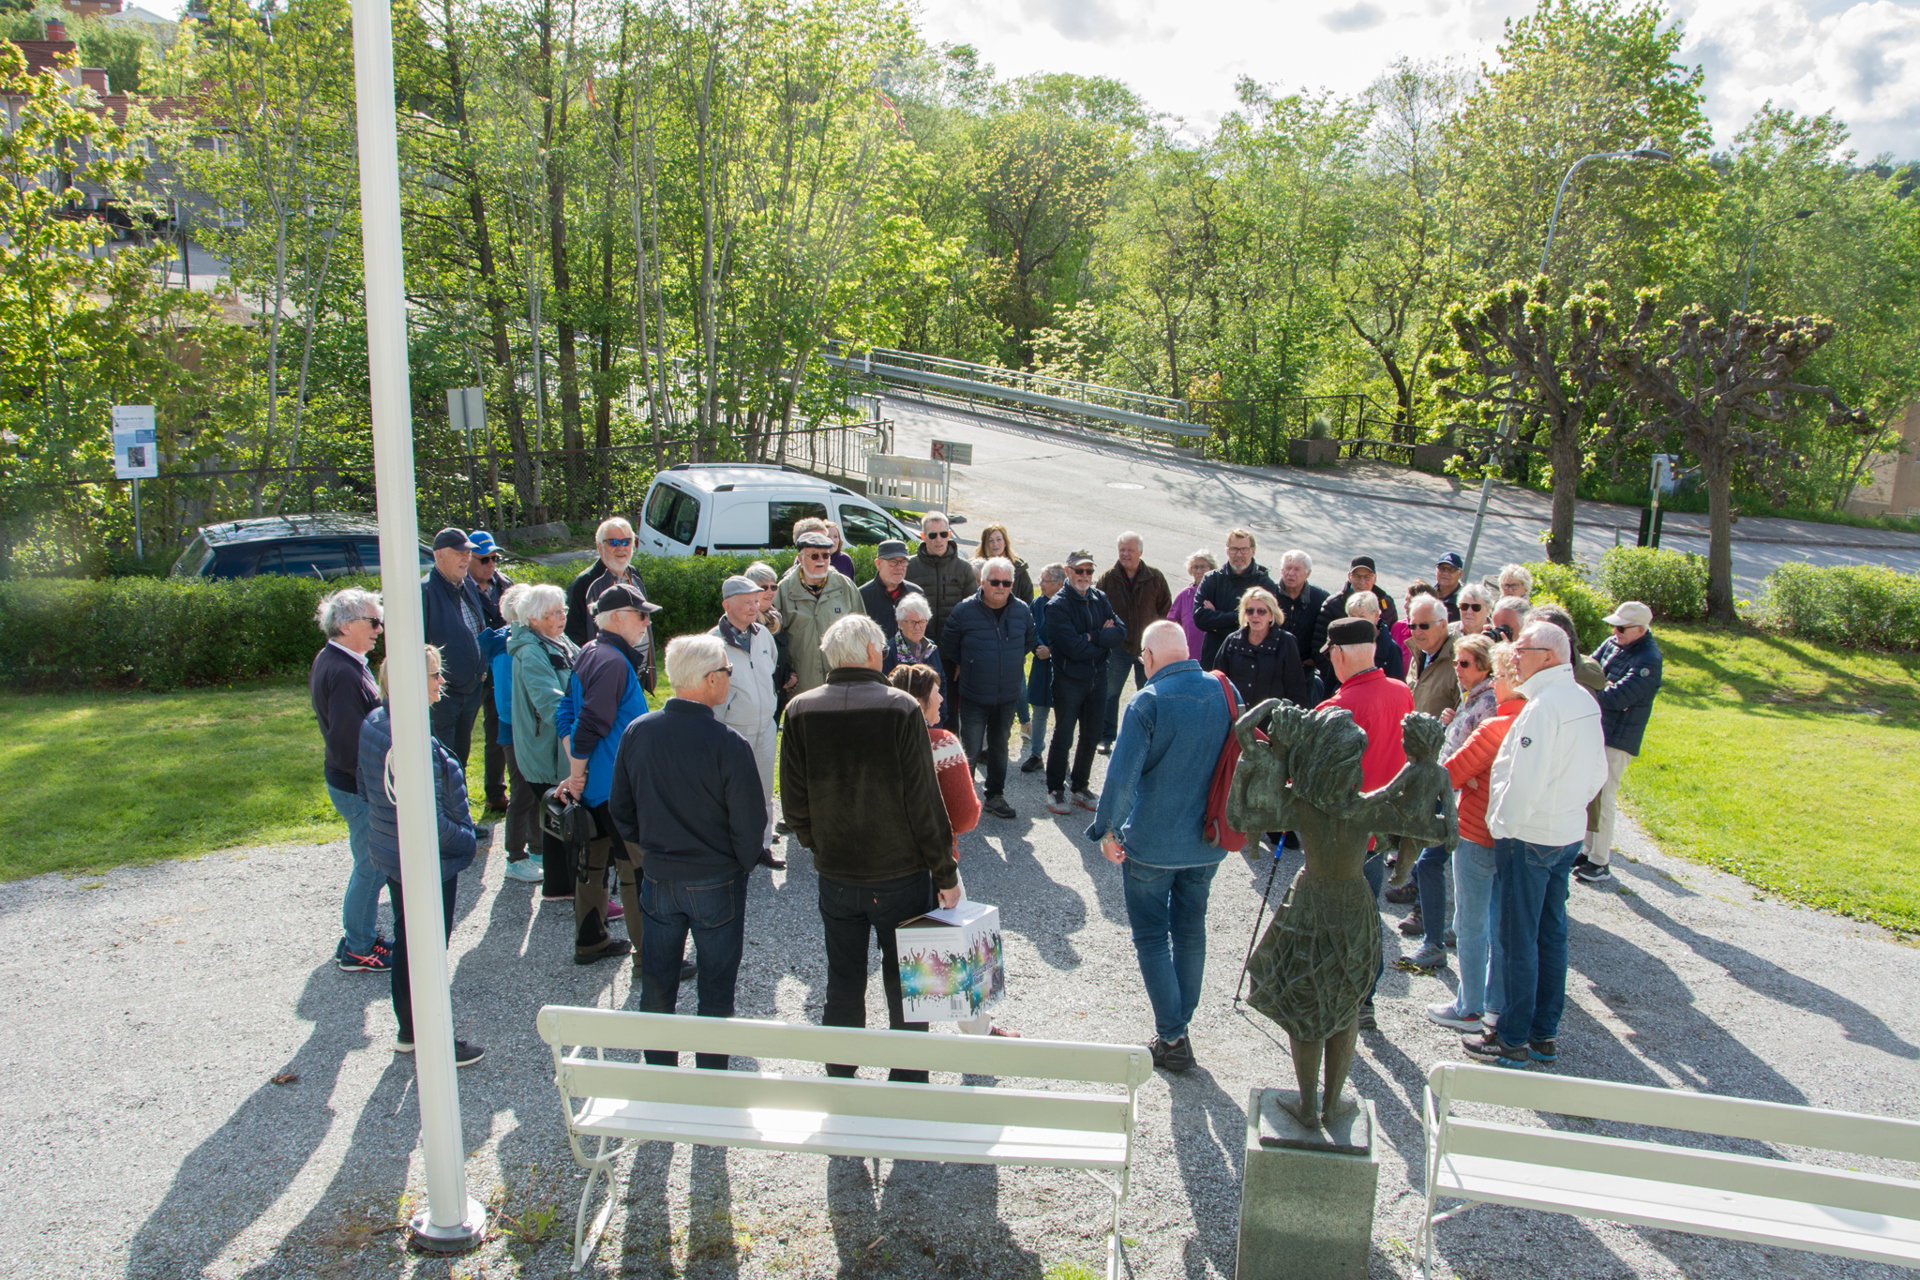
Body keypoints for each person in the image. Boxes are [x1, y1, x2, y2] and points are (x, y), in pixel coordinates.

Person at [780, 615, 959, 1080]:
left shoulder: (798, 711)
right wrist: (945, 873)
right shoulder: (900, 708)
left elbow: (793, 801)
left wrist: (819, 844)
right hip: (899, 873)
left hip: (836, 873)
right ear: (871, 653)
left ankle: (841, 1073)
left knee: (842, 978)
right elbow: (925, 800)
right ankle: (908, 1077)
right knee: (905, 979)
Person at [609, 634, 767, 1070]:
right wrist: (739, 863)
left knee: (657, 980)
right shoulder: (728, 744)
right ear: (712, 680)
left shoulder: (638, 731)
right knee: (716, 984)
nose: (730, 680)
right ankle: (710, 1075)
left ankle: (661, 1072)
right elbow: (750, 825)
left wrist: (654, 847)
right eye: (728, 673)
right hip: (716, 878)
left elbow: (620, 807)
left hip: (659, 876)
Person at [1462, 622, 1607, 1069]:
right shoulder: (1582, 700)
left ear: (1548, 655)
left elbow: (1523, 778)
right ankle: (1543, 1032)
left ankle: (1511, 1038)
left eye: (1523, 649)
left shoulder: (1543, 706)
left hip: (1530, 836)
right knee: (1550, 934)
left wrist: (1503, 826)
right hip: (1563, 832)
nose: (1515, 656)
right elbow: (1595, 774)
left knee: (1517, 939)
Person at [1091, 621, 1234, 1073]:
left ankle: (1173, 1035)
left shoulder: (1148, 700)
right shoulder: (1225, 693)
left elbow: (1122, 777)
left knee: (1152, 936)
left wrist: (1106, 829)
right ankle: (1179, 1028)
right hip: (1209, 839)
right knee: (1191, 930)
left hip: (1152, 842)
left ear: (1148, 657)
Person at [357, 644, 484, 1066]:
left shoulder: (376, 723)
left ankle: (410, 1031)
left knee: (410, 941)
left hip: (394, 854)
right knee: (426, 949)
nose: (441, 682)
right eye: (434, 675)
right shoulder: (410, 740)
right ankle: (432, 1039)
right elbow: (429, 818)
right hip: (426, 862)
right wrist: (467, 841)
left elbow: (369, 790)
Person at [888, 662, 1018, 1037]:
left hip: (886, 866)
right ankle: (978, 1030)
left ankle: (909, 1039)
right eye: (936, 691)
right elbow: (963, 817)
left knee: (899, 955)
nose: (942, 698)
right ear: (919, 699)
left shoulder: (880, 740)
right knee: (962, 947)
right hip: (936, 863)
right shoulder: (941, 742)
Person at [1317, 615, 1415, 1030]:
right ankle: (1364, 999)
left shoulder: (1335, 708)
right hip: (1382, 830)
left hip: (1340, 836)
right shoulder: (1402, 692)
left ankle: (1340, 997)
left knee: (1334, 920)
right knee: (1368, 916)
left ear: (1339, 654)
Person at [1423, 637, 1522, 1035]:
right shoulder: (1535, 722)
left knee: (1470, 922)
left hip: (1478, 834)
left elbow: (1451, 774)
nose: (1494, 684)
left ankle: (1469, 1006)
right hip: (1517, 840)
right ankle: (1496, 1005)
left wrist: (1472, 781)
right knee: (1501, 925)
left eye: (1498, 676)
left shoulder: (1496, 727)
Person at [556, 584, 658, 966]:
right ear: (616, 618)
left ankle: (591, 940)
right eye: (641, 615)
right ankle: (650, 956)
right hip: (616, 787)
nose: (647, 623)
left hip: (597, 786)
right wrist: (578, 772)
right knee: (635, 869)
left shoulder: (589, 652)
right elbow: (590, 722)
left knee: (592, 864)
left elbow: (564, 712)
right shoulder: (613, 661)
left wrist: (576, 771)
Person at [309, 587, 391, 973]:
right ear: (344, 626)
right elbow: (347, 741)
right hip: (355, 784)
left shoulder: (341, 660)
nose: (380, 629)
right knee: (372, 865)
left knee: (370, 862)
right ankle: (358, 946)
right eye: (373, 622)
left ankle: (360, 936)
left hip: (349, 780)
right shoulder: (343, 671)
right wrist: (375, 782)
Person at [941, 555, 1043, 820]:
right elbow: (949, 643)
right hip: (975, 694)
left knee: (999, 748)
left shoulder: (1022, 609)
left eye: (1007, 582)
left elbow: (1029, 641)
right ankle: (962, 799)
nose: (1001, 587)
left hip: (1007, 696)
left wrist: (1008, 662)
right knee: (970, 749)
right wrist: (969, 662)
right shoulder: (964, 610)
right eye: (995, 581)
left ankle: (994, 796)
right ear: (982, 582)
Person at [1393, 593, 1463, 969]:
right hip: (1417, 758)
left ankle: (1427, 917)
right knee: (1420, 841)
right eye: (1412, 624)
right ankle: (1416, 895)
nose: (1416, 631)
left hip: (1443, 767)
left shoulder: (1459, 659)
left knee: (1430, 851)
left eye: (1423, 626)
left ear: (1442, 624)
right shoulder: (1421, 653)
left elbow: (1464, 712)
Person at [1576, 601, 1663, 886]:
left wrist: (1598, 685)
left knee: (1605, 796)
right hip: (1600, 729)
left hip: (1619, 738)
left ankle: (1600, 861)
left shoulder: (1649, 659)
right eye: (1614, 625)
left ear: (1641, 629)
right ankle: (1587, 850)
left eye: (1622, 627)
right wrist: (1600, 684)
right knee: (1590, 793)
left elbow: (1617, 698)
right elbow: (1587, 668)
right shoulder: (1614, 643)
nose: (1615, 631)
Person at [507, 582, 578, 897]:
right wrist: (580, 733)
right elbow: (549, 703)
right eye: (553, 613)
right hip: (546, 750)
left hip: (556, 747)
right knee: (560, 811)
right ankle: (568, 885)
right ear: (533, 619)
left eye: (563, 610)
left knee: (556, 816)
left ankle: (558, 885)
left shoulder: (558, 641)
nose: (562, 617)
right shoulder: (531, 651)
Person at [1045, 550, 1127, 815]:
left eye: (1089, 571)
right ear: (1068, 571)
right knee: (1064, 736)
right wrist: (1100, 636)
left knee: (1091, 736)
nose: (1084, 576)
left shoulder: (1099, 597)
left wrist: (1091, 638)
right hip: (1069, 680)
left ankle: (1080, 786)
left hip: (1097, 678)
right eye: (1079, 570)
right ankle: (1055, 789)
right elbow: (1073, 649)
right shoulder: (1057, 605)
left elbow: (1121, 633)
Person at [421, 527, 505, 778]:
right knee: (441, 759)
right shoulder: (425, 591)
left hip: (472, 687)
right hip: (443, 692)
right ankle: (443, 812)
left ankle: (458, 809)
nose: (466, 558)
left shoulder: (467, 583)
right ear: (439, 556)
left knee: (460, 757)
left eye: (468, 552)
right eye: (459, 553)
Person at [711, 576, 783, 867]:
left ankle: (761, 846)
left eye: (756, 601)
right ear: (727, 605)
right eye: (747, 602)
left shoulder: (763, 634)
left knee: (764, 789)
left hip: (765, 727)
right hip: (731, 730)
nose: (755, 607)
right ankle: (729, 848)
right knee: (731, 793)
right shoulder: (713, 643)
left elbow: (771, 667)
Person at [1096, 532, 1173, 754]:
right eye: (1122, 550)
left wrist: (1157, 637)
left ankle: (1147, 735)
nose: (1125, 554)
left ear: (1140, 551)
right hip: (1118, 647)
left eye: (1130, 550)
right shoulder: (1107, 578)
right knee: (1110, 692)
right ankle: (1106, 737)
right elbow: (1099, 608)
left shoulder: (1155, 578)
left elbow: (1165, 609)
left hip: (1147, 648)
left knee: (1148, 692)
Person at [490, 584, 542, 881]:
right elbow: (506, 705)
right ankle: (515, 856)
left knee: (535, 793)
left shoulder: (526, 645)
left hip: (532, 733)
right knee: (521, 794)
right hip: (515, 736)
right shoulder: (505, 650)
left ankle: (536, 849)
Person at [775, 531, 866, 696]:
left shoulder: (845, 586)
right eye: (814, 556)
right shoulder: (784, 590)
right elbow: (775, 638)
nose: (821, 561)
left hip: (842, 684)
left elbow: (863, 632)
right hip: (803, 687)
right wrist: (786, 671)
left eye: (825, 555)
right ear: (800, 559)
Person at [566, 519, 653, 685]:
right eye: (613, 542)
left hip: (636, 672)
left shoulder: (633, 574)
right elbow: (574, 638)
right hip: (605, 675)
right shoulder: (583, 584)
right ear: (599, 547)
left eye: (626, 542)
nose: (621, 548)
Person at [467, 530, 515, 809]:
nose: (490, 564)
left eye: (494, 557)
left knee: (498, 731)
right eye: (484, 558)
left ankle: (497, 794)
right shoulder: (461, 588)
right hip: (474, 671)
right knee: (460, 737)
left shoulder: (504, 584)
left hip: (502, 670)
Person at [1192, 528, 1279, 670]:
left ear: (1253, 551)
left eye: (1244, 549)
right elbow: (1200, 618)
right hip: (1214, 661)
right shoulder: (1211, 579)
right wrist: (1244, 617)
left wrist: (1217, 623)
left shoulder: (1264, 584)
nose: (1239, 554)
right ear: (1227, 551)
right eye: (1234, 549)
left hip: (1250, 662)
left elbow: (1267, 624)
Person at [1214, 586, 1310, 709]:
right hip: (1237, 720)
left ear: (1271, 615)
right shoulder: (1232, 641)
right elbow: (1218, 682)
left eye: (1261, 611)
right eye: (1250, 611)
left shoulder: (1286, 642)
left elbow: (1296, 689)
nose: (1255, 615)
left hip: (1271, 722)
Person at [1315, 556, 1397, 691]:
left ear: (1375, 578)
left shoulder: (1386, 603)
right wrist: (1338, 674)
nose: (1362, 581)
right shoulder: (1333, 605)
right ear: (1349, 576)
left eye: (1367, 577)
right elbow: (1319, 648)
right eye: (1357, 576)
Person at [903, 511, 976, 654]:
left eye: (943, 534)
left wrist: (963, 655)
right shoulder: (909, 567)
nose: (938, 539)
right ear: (923, 537)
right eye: (932, 535)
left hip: (952, 651)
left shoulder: (964, 568)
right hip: (917, 649)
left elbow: (972, 613)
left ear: (949, 535)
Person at [1022, 563, 1067, 773]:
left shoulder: (1069, 603)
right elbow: (1030, 629)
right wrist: (1039, 647)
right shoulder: (1037, 603)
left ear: (1059, 584)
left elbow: (1072, 636)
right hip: (1041, 665)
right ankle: (1036, 754)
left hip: (1064, 667)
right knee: (1039, 712)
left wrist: (1053, 651)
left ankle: (1062, 756)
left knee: (1064, 715)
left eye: (1044, 581)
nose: (1039, 584)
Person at [742, 561, 795, 712]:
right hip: (753, 703)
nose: (770, 592)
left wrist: (790, 674)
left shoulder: (775, 619)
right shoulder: (745, 622)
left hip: (777, 699)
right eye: (763, 587)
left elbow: (778, 657)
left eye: (773, 587)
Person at [1330, 591, 1405, 693]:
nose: (1356, 622)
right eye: (1352, 616)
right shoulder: (1341, 644)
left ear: (1376, 615)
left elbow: (1397, 689)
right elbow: (1330, 684)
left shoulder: (1391, 649)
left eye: (1362, 617)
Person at [1274, 549, 1329, 687]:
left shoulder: (1320, 598)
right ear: (1281, 570)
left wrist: (1314, 659)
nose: (1291, 573)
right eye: (1288, 568)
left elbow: (1326, 633)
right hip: (1271, 664)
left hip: (1305, 668)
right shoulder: (1269, 593)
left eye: (1297, 569)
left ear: (1307, 573)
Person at [858, 539, 926, 642]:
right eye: (893, 562)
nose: (899, 567)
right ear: (878, 564)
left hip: (911, 657)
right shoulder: (862, 596)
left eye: (903, 562)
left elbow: (926, 632)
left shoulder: (916, 593)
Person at [1166, 550, 1215, 662]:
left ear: (1211, 569)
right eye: (1195, 567)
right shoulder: (1185, 595)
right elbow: (1170, 624)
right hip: (1188, 657)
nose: (1199, 571)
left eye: (1203, 567)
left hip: (1212, 656)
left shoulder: (1217, 593)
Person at [976, 523, 1034, 601]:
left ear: (1005, 542)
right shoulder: (975, 568)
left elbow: (1028, 598)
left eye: (999, 539)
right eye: (990, 540)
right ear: (984, 544)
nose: (995, 544)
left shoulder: (1019, 568)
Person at [1433, 551, 1465, 622]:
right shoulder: (1427, 594)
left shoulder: (1464, 602)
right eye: (1442, 568)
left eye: (1451, 570)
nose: (1445, 573)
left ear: (1460, 574)